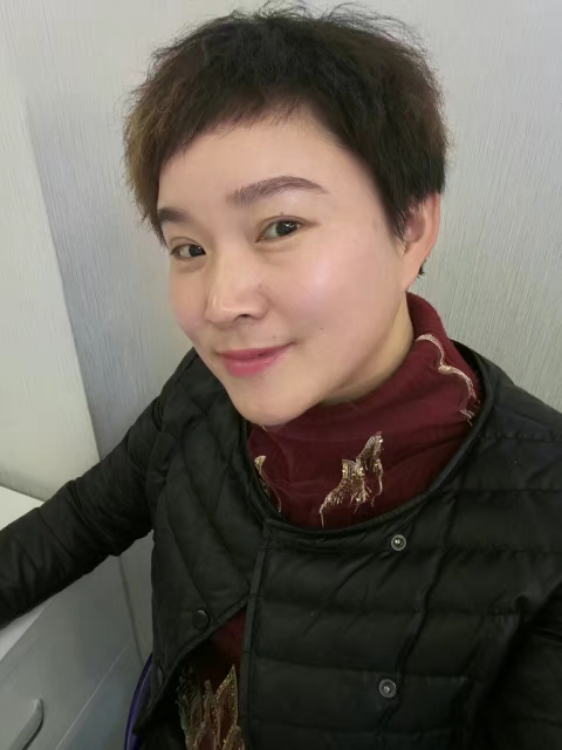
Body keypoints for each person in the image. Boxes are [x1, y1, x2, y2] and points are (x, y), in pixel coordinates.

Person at [1, 2, 562, 748]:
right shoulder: (205, 392)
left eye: (281, 226)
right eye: (188, 248)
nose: (220, 304)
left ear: (411, 228)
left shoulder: (541, 514)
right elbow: (86, 519)